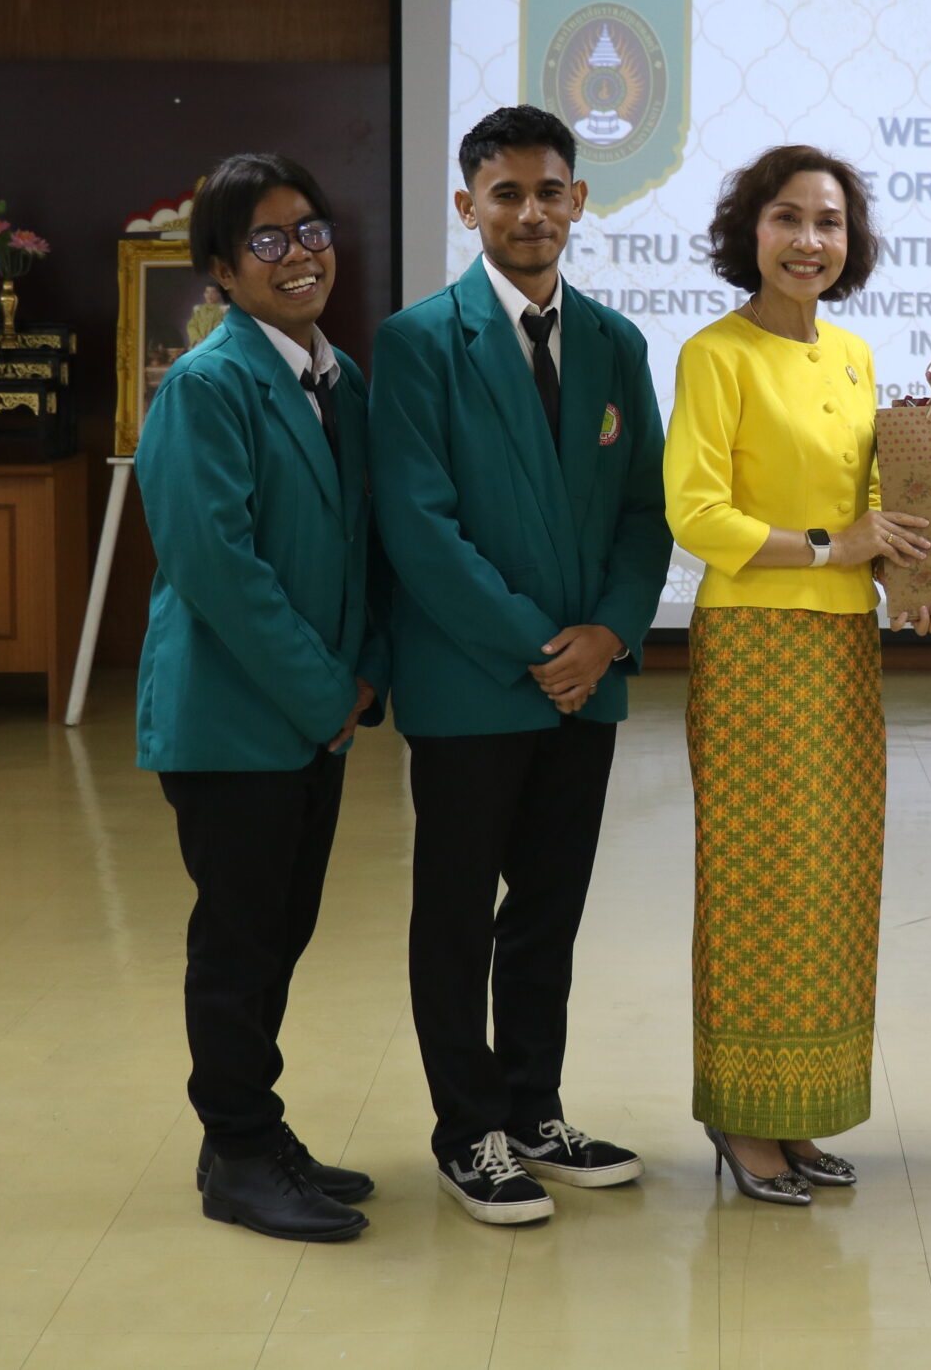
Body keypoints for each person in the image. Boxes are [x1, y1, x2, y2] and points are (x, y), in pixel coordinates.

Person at [370, 106, 674, 1227]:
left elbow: (645, 509)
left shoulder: (614, 343)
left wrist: (609, 632)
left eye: (550, 191)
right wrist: (541, 646)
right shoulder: (416, 344)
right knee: (456, 913)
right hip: (473, 685)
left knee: (549, 909)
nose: (531, 213)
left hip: (587, 686)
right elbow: (420, 528)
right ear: (469, 207)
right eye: (506, 194)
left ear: (579, 200)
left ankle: (534, 1109)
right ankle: (469, 1132)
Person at [663, 144, 931, 1205]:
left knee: (830, 884)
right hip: (752, 645)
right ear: (751, 231)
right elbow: (696, 514)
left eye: (829, 223)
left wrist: (917, 573)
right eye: (787, 218)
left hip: (842, 648)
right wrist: (835, 547)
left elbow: (876, 504)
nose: (808, 241)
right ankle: (742, 1119)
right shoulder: (715, 354)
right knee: (755, 883)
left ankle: (798, 1108)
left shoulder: (855, 356)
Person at [135, 152, 389, 1244]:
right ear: (221, 269)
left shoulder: (341, 378)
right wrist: (326, 691)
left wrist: (365, 668)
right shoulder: (207, 385)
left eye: (312, 231)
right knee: (239, 945)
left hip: (312, 719)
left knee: (281, 929)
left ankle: (246, 1130)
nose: (300, 257)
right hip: (232, 720)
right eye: (269, 241)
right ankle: (240, 1152)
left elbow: (364, 542)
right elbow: (218, 567)